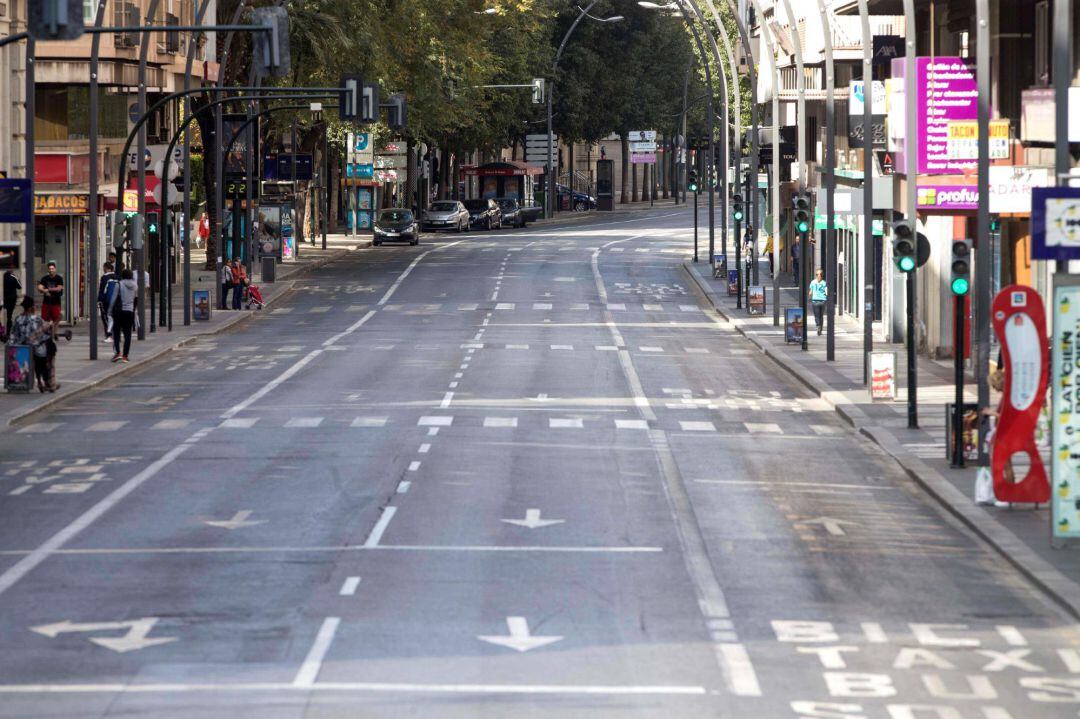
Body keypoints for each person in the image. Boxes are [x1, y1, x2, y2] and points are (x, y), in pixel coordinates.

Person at [6, 296, 56, 392]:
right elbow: (45, 332)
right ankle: (45, 382)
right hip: (35, 348)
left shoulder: (18, 319)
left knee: (38, 355)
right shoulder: (36, 319)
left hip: (21, 348)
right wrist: (50, 325)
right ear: (30, 308)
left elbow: (13, 334)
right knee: (45, 355)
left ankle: (41, 383)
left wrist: (11, 345)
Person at [108, 268, 137, 363]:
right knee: (128, 334)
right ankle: (125, 356)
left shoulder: (119, 284)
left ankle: (118, 353)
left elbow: (113, 299)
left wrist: (109, 310)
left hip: (119, 312)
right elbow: (136, 298)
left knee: (116, 333)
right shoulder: (135, 286)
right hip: (129, 312)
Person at [97, 262, 117, 340]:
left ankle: (109, 334)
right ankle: (114, 334)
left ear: (107, 268)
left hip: (106, 301)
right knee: (113, 317)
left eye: (104, 268)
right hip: (115, 301)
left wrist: (99, 299)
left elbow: (102, 289)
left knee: (106, 317)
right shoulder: (116, 276)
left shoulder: (105, 277)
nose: (103, 269)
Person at [809, 268, 828, 336]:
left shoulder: (813, 282)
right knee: (821, 315)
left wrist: (810, 296)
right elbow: (826, 292)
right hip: (823, 301)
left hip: (815, 301)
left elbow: (810, 293)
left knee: (816, 316)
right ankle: (821, 329)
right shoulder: (824, 283)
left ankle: (818, 326)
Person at [2, 268, 20, 335]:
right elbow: (19, 286)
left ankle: (3, 331)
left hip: (3, 298)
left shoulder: (3, 277)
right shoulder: (13, 277)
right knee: (9, 316)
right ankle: (8, 332)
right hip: (11, 299)